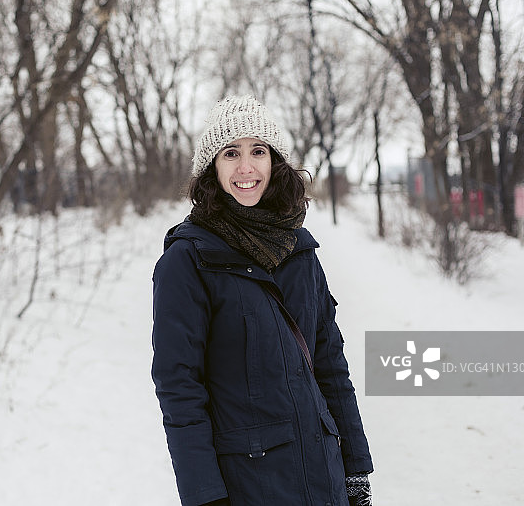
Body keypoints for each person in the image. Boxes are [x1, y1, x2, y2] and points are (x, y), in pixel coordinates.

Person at [151, 95, 374, 506]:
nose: (246, 167)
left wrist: (356, 468)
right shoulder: (187, 261)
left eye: (258, 151)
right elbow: (180, 388)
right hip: (248, 485)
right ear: (211, 169)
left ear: (275, 162)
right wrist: (205, 496)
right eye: (230, 153)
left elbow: (330, 365)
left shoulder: (300, 252)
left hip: (323, 476)